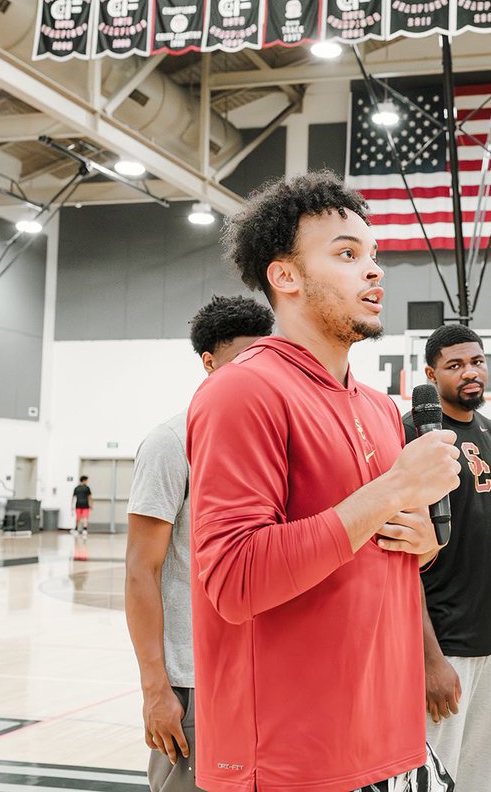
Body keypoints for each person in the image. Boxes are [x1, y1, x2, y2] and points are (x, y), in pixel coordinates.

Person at [186, 171, 461, 792]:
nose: (374, 271)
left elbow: (374, 549)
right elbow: (233, 579)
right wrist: (389, 492)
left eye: (372, 255)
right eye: (346, 254)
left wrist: (422, 538)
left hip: (387, 741)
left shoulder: (378, 407)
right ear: (285, 277)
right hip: (290, 761)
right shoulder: (242, 391)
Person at [125, 295, 273, 792]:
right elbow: (140, 571)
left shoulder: (270, 440)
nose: (258, 373)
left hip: (266, 672)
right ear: (209, 363)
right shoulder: (170, 442)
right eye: (243, 360)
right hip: (193, 681)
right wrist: (155, 689)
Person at [402, 323, 491, 791]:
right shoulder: (411, 432)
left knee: (477, 779)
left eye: (476, 362)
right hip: (443, 645)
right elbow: (400, 556)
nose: (469, 372)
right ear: (432, 374)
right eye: (455, 366)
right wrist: (430, 658)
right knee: (433, 781)